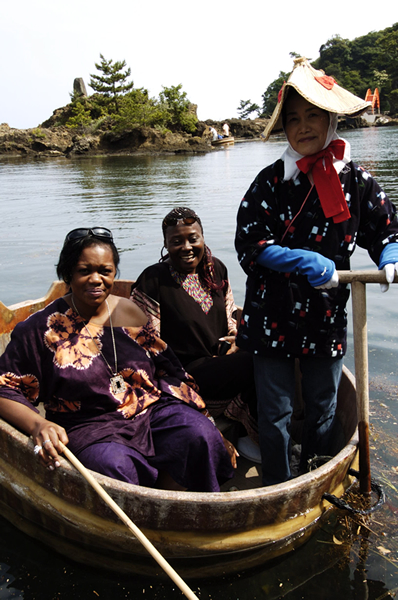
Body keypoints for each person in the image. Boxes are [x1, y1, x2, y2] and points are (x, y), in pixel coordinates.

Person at [235, 57, 398, 486]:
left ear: (331, 120)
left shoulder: (357, 181)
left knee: (324, 402)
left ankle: (315, 477)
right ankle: (277, 483)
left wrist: (390, 256)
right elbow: (249, 244)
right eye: (294, 119)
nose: (303, 126)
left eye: (313, 116)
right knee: (276, 409)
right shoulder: (269, 182)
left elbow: (386, 228)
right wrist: (300, 259)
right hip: (271, 310)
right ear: (284, 128)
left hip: (326, 313)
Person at [0, 227, 235, 492]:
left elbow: (168, 368)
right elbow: (6, 388)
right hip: (89, 426)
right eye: (84, 270)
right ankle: (136, 518)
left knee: (199, 435)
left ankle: (176, 504)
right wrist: (39, 424)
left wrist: (209, 423)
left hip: (149, 412)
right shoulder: (41, 329)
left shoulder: (128, 310)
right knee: (113, 466)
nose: (96, 279)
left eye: (105, 271)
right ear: (68, 274)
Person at [131, 207, 260, 462]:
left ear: (202, 238)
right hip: (186, 373)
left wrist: (236, 340)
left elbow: (230, 315)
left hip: (222, 360)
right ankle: (262, 439)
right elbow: (146, 343)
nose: (186, 247)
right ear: (166, 244)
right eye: (176, 241)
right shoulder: (153, 280)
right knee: (254, 360)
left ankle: (257, 437)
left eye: (193, 238)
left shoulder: (217, 270)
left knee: (263, 349)